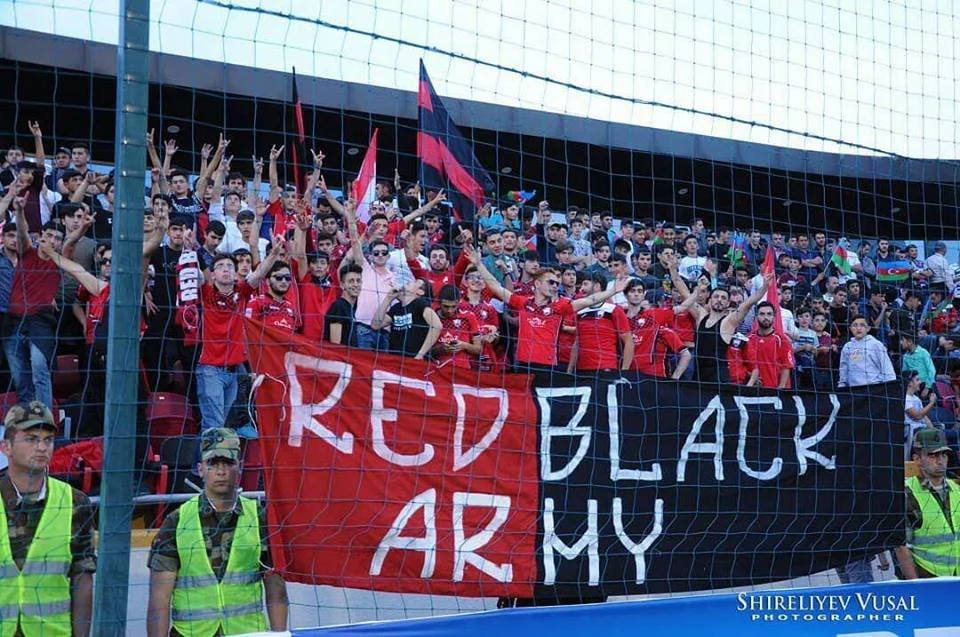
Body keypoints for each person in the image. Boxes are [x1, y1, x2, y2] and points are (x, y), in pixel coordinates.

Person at [147, 428, 289, 636]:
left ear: (239, 467)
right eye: (213, 463)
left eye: (228, 463)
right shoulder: (177, 522)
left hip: (247, 633)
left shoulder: (260, 518)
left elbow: (276, 590)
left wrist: (279, 634)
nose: (221, 471)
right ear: (200, 468)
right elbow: (159, 601)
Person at [0, 401, 97, 636]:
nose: (42, 447)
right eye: (32, 439)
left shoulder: (75, 502)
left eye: (48, 440)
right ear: (7, 447)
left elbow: (82, 577)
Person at [683, 263, 773, 383]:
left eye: (723, 298)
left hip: (718, 378)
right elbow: (684, 292)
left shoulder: (728, 322)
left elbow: (748, 304)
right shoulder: (701, 316)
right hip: (698, 375)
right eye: (716, 297)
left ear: (727, 304)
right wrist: (673, 270)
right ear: (709, 300)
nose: (719, 300)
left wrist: (765, 287)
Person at [895, 428, 960, 578]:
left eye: (943, 454)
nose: (940, 460)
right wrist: (916, 586)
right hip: (929, 578)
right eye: (932, 455)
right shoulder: (907, 494)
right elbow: (901, 547)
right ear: (917, 459)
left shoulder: (957, 489)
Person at [572, 272, 634, 372]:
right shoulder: (579, 311)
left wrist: (624, 371)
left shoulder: (614, 309)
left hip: (606, 368)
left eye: (585, 284)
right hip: (582, 371)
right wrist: (570, 370)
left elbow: (628, 341)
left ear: (597, 286)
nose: (581, 289)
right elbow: (577, 342)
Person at [370, 279, 442, 360]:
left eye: (415, 281)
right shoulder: (397, 308)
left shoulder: (420, 304)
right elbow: (375, 325)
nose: (410, 281)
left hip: (414, 361)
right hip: (396, 359)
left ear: (420, 291)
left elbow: (437, 325)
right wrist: (388, 298)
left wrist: (420, 355)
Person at [743, 301, 795, 389]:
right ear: (756, 317)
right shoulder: (749, 339)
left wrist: (781, 388)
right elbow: (744, 364)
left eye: (769, 314)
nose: (766, 317)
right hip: (754, 390)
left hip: (776, 390)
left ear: (774, 317)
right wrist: (752, 377)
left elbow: (787, 366)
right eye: (762, 314)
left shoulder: (782, 340)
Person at [837, 316, 897, 388]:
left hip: (874, 388)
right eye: (855, 325)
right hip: (853, 390)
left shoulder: (876, 344)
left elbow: (886, 367)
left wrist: (891, 385)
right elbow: (843, 368)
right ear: (850, 328)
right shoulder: (847, 347)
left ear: (868, 328)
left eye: (862, 325)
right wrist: (842, 384)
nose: (858, 328)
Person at [324, 263, 362, 347]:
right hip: (339, 358)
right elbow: (335, 345)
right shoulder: (338, 307)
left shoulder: (352, 307)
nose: (356, 284)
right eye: (351, 281)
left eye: (358, 281)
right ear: (342, 285)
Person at [903, 371, 937, 460]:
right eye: (917, 380)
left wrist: (934, 430)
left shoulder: (916, 398)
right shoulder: (905, 398)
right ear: (910, 383)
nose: (920, 382)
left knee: (948, 434)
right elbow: (917, 416)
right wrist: (931, 403)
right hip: (912, 430)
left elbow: (924, 416)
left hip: (922, 429)